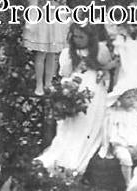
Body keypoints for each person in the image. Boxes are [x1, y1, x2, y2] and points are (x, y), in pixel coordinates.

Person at [35, 24, 114, 175]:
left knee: (89, 118)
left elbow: (105, 68)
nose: (77, 40)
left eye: (81, 37)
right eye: (75, 36)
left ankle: (77, 156)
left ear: (89, 37)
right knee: (70, 124)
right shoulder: (68, 52)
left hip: (94, 87)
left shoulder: (99, 50)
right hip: (74, 85)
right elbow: (65, 73)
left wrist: (102, 73)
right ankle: (60, 156)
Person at [103, 84, 137, 186]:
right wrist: (125, 145)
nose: (132, 100)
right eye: (128, 97)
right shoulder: (114, 113)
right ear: (120, 99)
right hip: (121, 145)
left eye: (134, 97)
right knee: (125, 158)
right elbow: (112, 133)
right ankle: (129, 183)